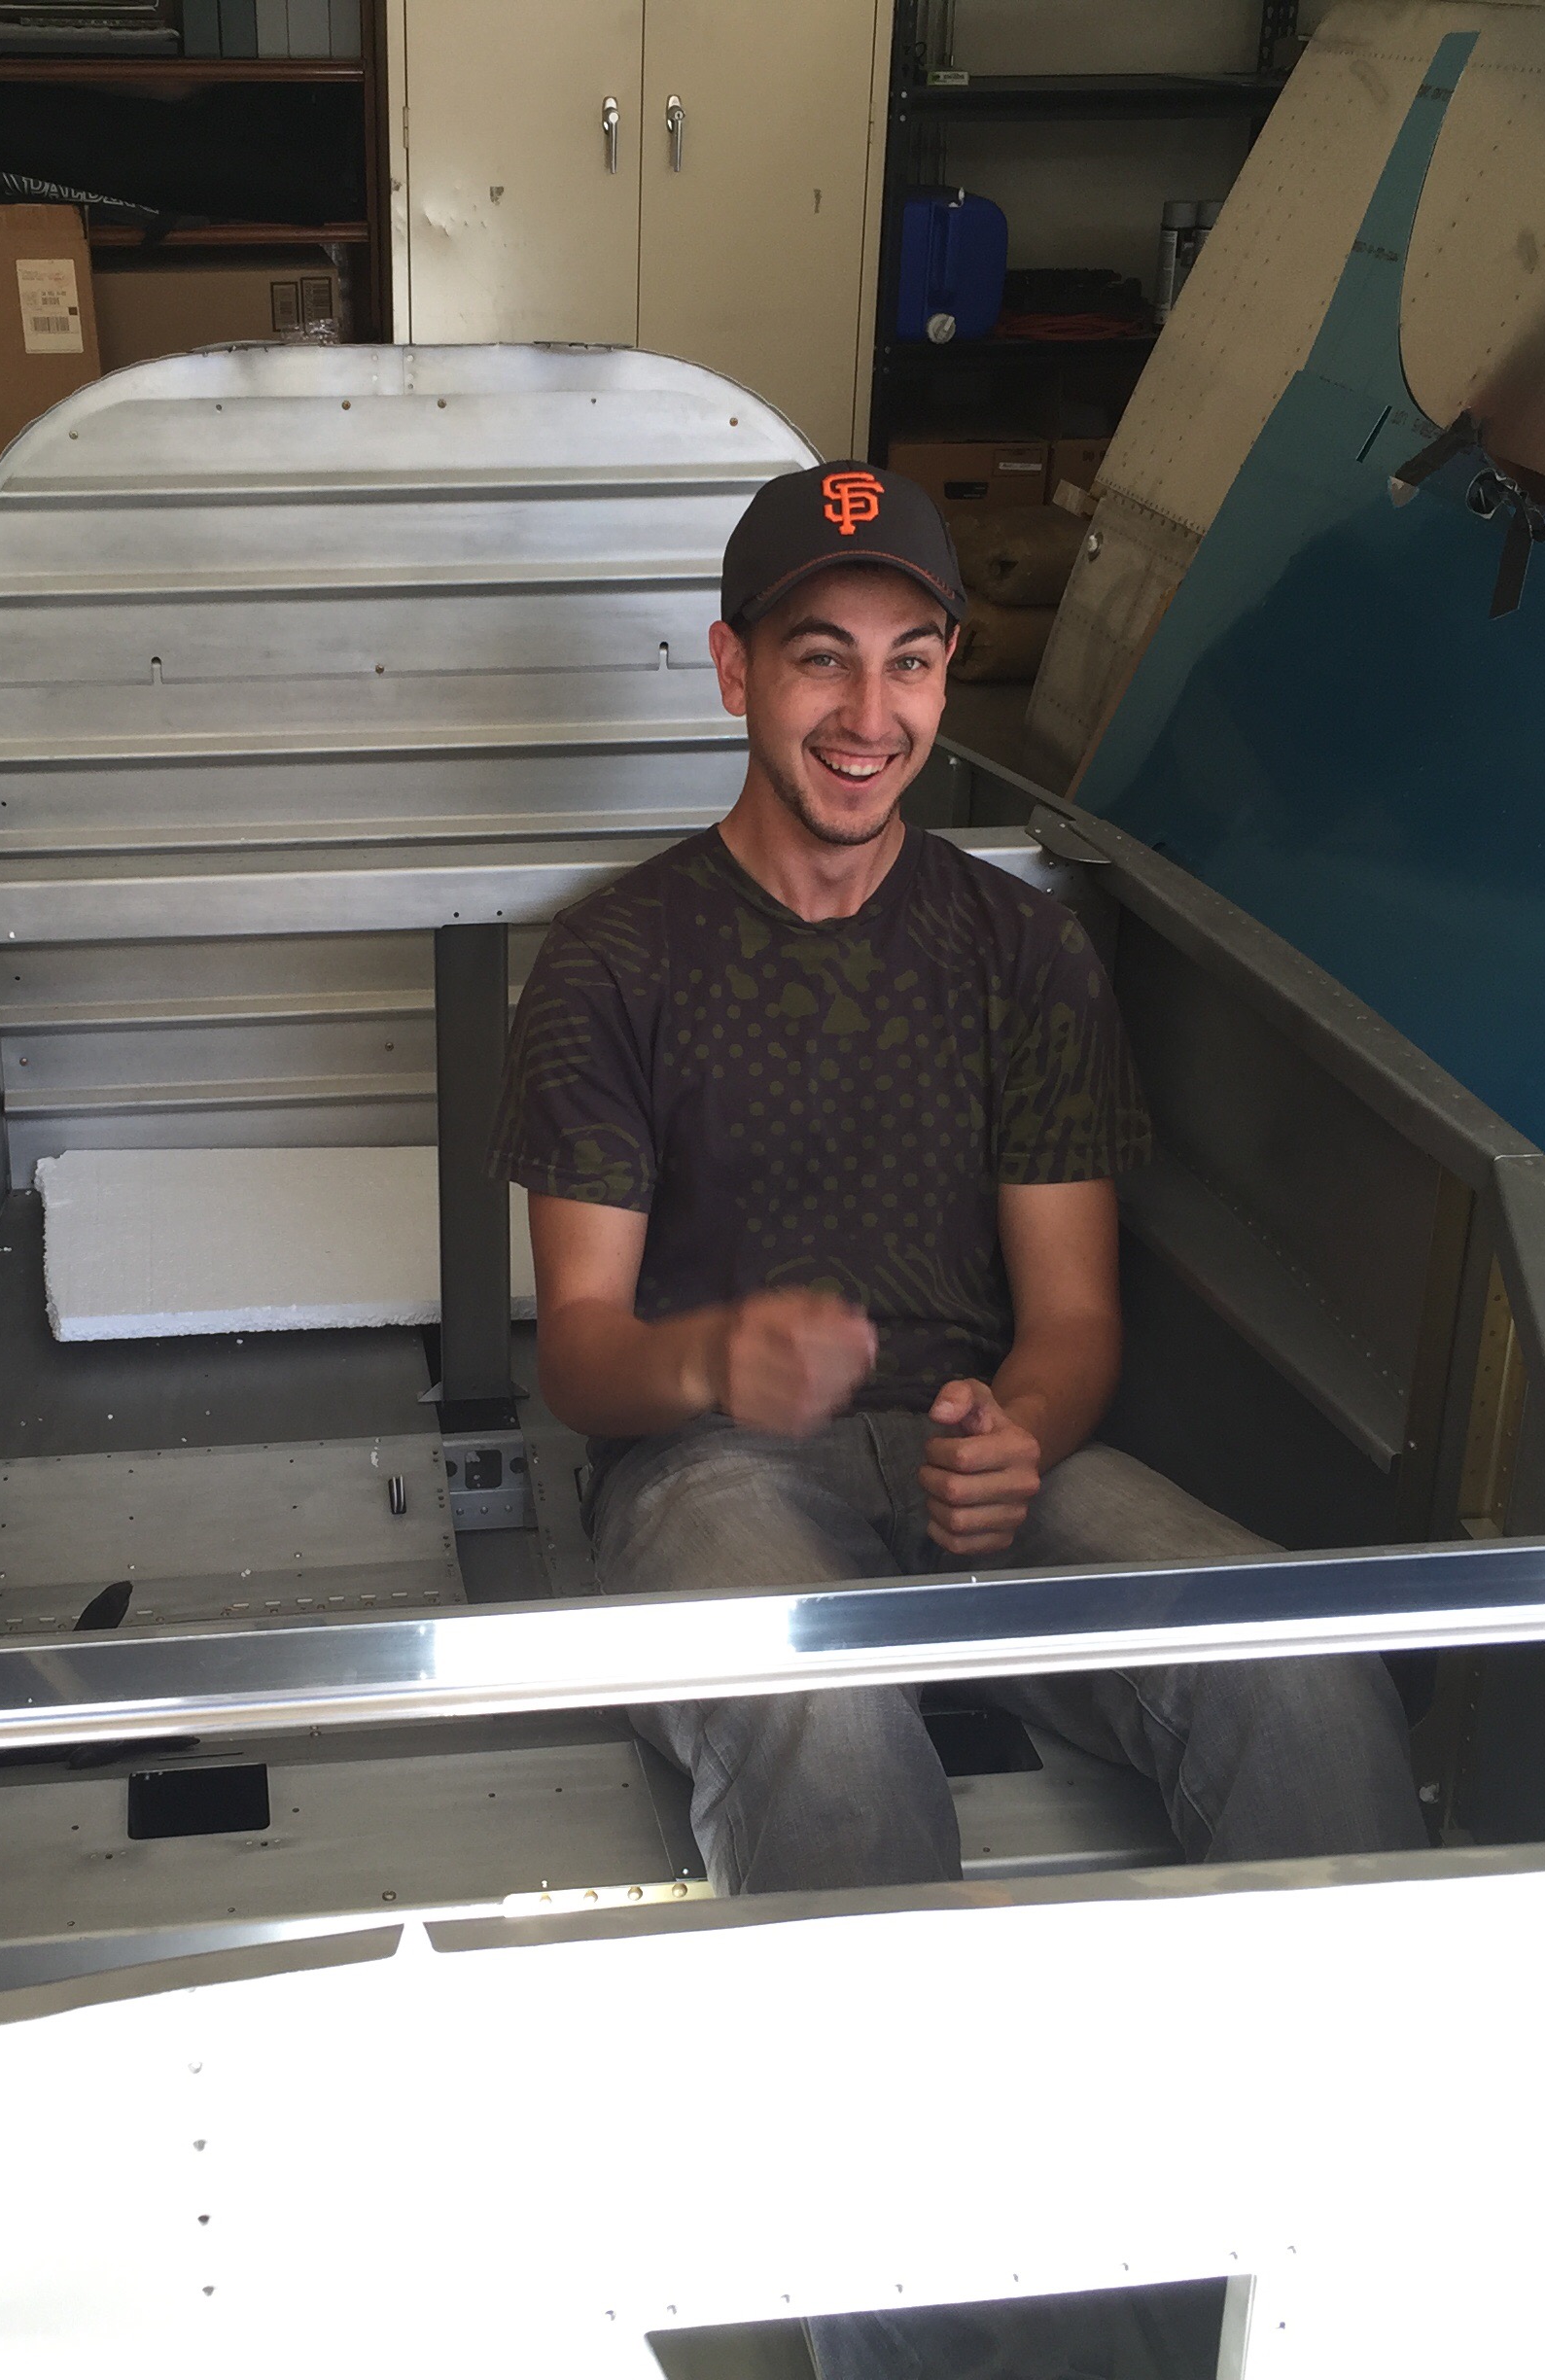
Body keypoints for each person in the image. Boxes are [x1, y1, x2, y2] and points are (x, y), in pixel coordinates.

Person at [490, 462, 1426, 1896]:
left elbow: (1073, 1320)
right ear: (735, 670)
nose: (871, 718)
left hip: (974, 1451)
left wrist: (1019, 1433)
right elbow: (580, 1353)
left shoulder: (1024, 955)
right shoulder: (612, 965)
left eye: (910, 664)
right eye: (823, 661)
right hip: (711, 1470)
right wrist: (716, 1358)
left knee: (1301, 1672)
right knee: (830, 1734)